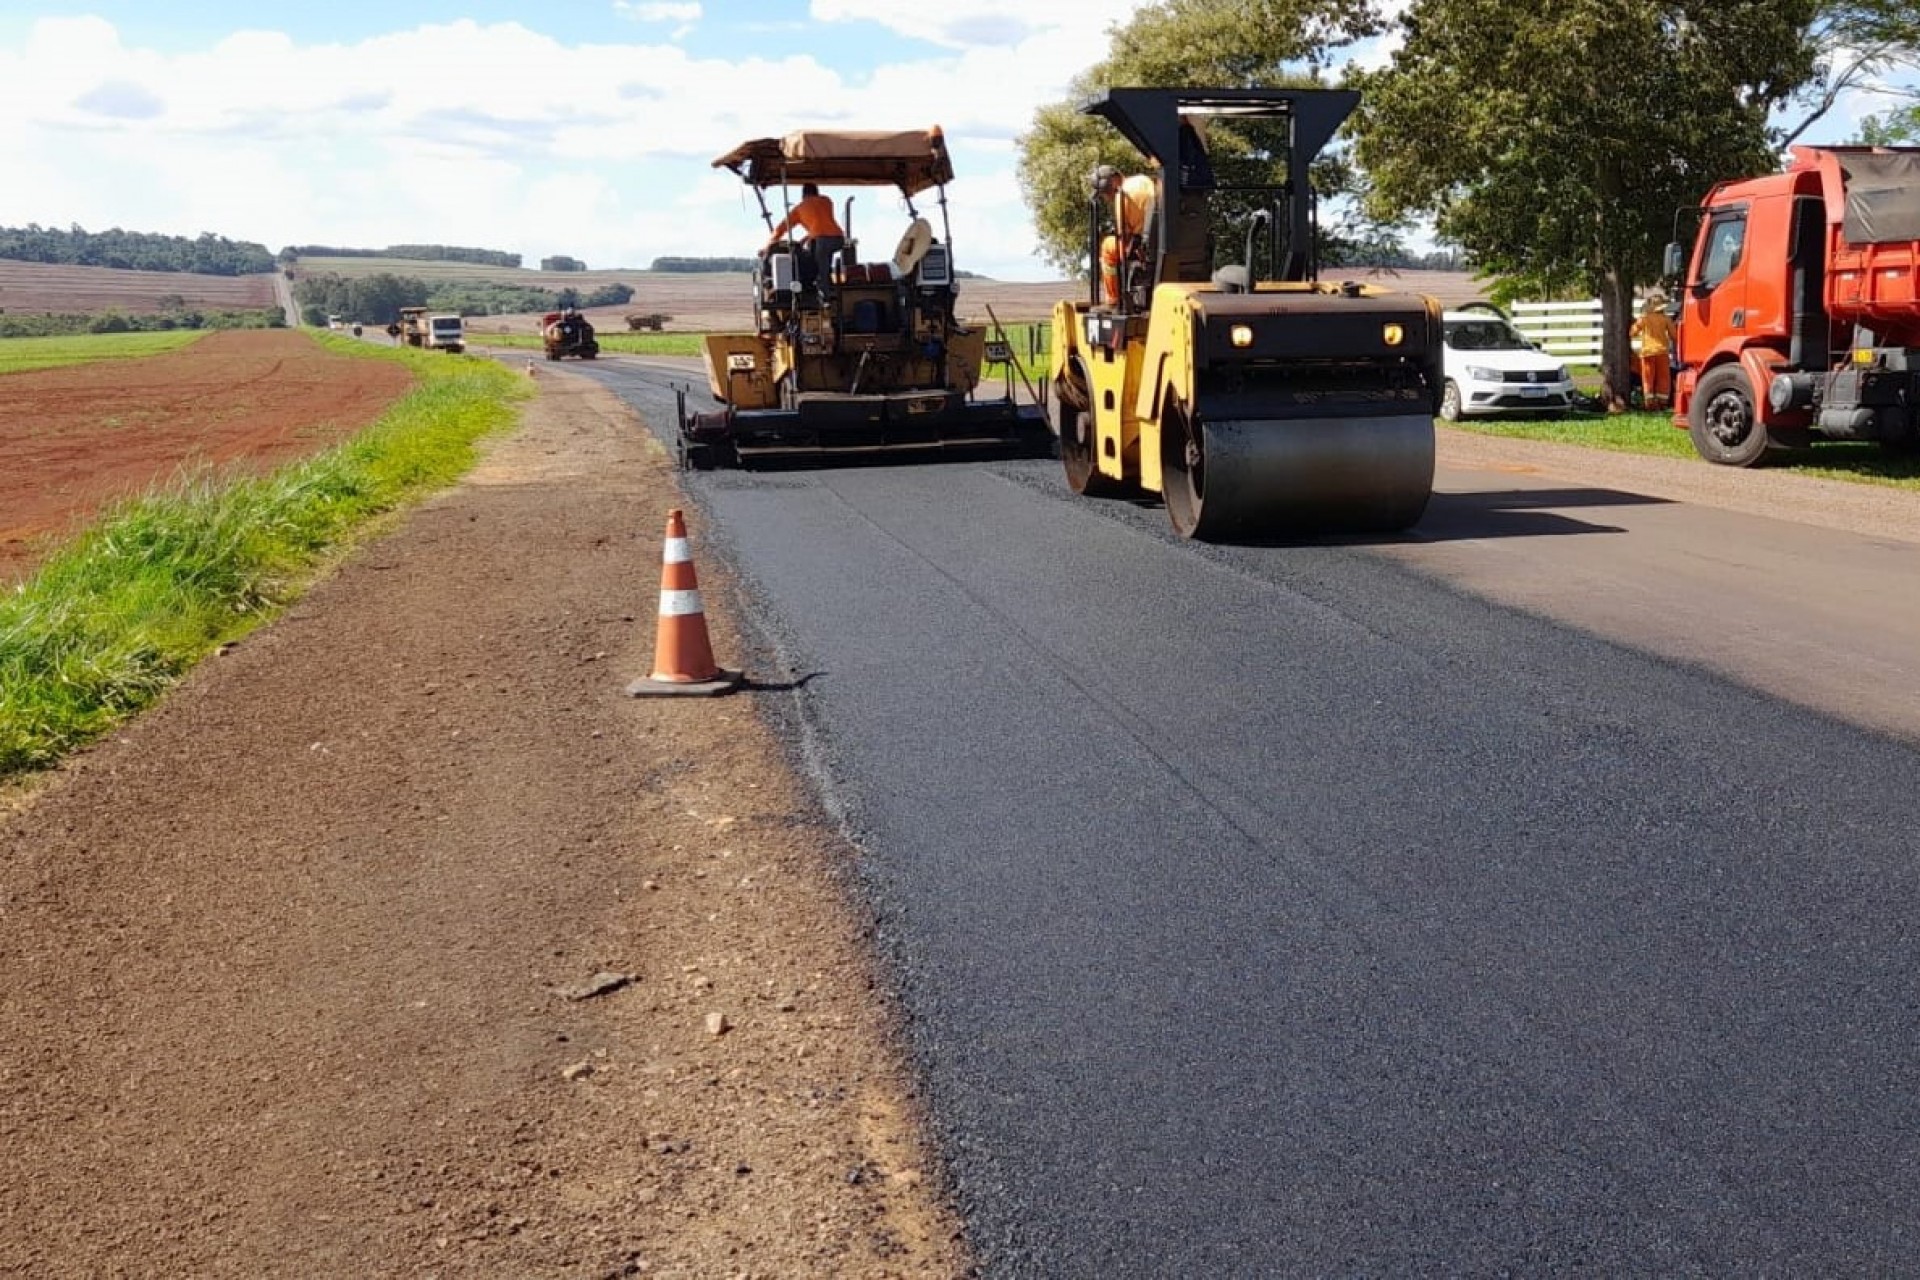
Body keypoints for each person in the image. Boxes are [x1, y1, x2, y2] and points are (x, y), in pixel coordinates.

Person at [1094, 167, 1157, 305]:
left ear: (1113, 181)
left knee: (1108, 247)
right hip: (1158, 239)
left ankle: (1113, 299)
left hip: (1143, 247)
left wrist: (1129, 251)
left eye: (1104, 192)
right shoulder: (1143, 180)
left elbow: (1124, 235)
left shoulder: (1121, 196)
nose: (1105, 197)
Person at [764, 183, 843, 252]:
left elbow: (780, 229)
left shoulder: (799, 208)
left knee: (818, 263)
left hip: (822, 242)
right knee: (822, 249)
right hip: (839, 239)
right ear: (817, 193)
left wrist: (768, 246)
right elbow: (821, 226)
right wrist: (806, 238)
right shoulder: (826, 201)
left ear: (803, 195)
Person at [1630, 293, 1677, 410]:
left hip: (1647, 352)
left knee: (1648, 378)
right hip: (1662, 351)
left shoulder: (1644, 319)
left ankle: (1649, 403)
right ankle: (1662, 402)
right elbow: (1674, 335)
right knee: (1663, 378)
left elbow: (1632, 333)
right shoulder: (1666, 319)